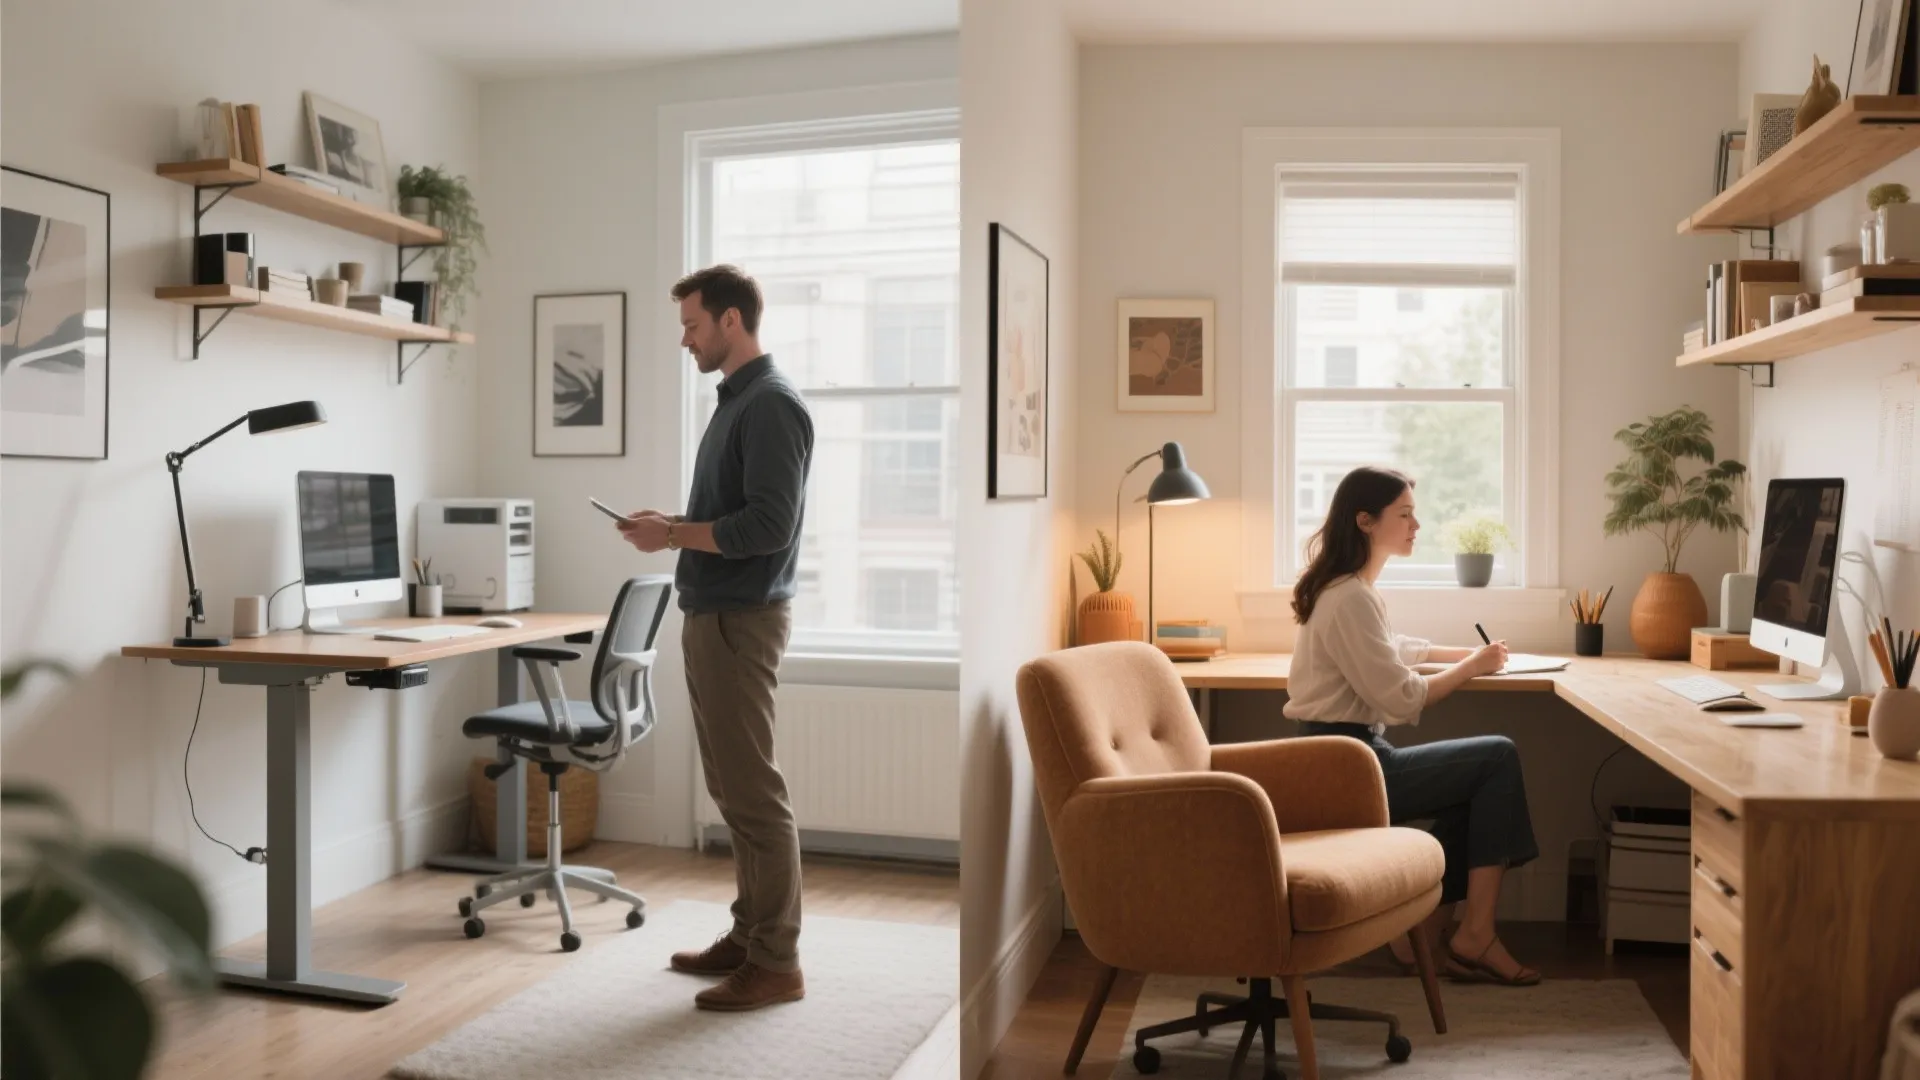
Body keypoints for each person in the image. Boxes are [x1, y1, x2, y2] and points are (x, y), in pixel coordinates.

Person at [617, 264, 814, 1011]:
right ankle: (750, 935)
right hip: (715, 615)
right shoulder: (737, 404)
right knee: (733, 790)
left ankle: (777, 962)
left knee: (755, 794)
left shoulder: (770, 406)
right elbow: (729, 518)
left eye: (692, 325)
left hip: (739, 620)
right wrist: (668, 527)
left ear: (732, 322)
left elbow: (768, 527)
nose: (685, 340)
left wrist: (672, 535)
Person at [1282, 465, 1542, 986]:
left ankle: (1419, 932)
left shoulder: (1349, 589)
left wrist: (1470, 654)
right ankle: (1475, 936)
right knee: (1497, 758)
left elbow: (1396, 649)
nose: (1416, 525)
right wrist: (1472, 668)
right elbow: (1400, 697)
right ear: (1365, 521)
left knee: (1481, 786)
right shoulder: (1350, 597)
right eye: (1404, 515)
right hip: (1351, 768)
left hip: (1340, 758)